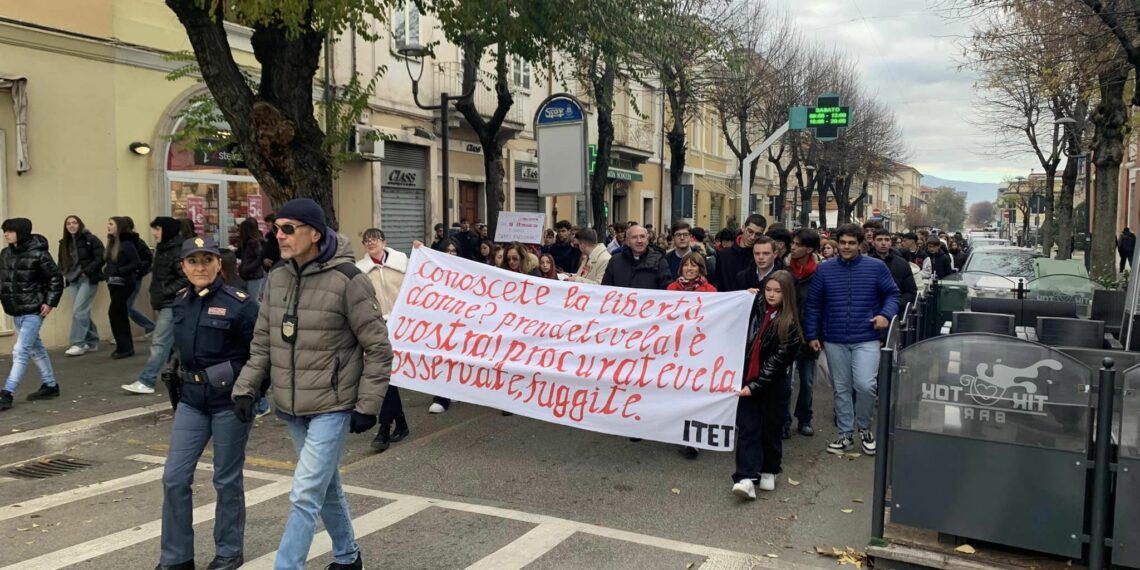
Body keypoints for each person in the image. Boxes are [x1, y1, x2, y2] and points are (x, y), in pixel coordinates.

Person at [230, 198, 391, 570]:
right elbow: (263, 342)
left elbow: (378, 348)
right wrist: (246, 388)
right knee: (324, 484)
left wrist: (368, 405)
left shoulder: (350, 280)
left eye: (289, 229)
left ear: (315, 233)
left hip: (333, 406)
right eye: (276, 229)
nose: (280, 236)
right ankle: (348, 557)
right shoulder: (278, 277)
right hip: (291, 406)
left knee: (304, 493)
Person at [156, 236, 258, 570]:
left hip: (228, 402)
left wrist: (250, 390)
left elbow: (260, 355)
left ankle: (228, 551)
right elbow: (181, 346)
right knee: (174, 477)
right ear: (183, 266)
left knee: (226, 479)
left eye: (207, 260)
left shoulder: (240, 303)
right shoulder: (181, 301)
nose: (200, 267)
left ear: (219, 264)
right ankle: (176, 557)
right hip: (191, 401)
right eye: (192, 261)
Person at [804, 224, 899, 456]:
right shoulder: (824, 270)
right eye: (843, 242)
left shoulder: (876, 267)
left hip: (866, 336)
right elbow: (814, 304)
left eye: (851, 243)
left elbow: (892, 294)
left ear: (860, 245)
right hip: (834, 338)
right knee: (841, 388)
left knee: (866, 384)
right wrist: (812, 335)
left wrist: (885, 315)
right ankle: (845, 433)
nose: (846, 247)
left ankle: (865, 428)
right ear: (838, 243)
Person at [732, 270, 802, 499]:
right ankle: (745, 476)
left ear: (787, 294)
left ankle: (770, 468)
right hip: (747, 379)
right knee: (747, 428)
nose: (771, 295)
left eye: (777, 291)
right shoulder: (755, 309)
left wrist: (756, 385)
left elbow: (778, 362)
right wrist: (745, 296)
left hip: (772, 386)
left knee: (770, 429)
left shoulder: (790, 324)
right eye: (768, 290)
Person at [355, 228, 411, 453]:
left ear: (384, 241)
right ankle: (385, 427)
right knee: (384, 374)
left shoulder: (402, 263)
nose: (371, 243)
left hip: (404, 325)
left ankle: (401, 423)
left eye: (374, 239)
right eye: (366, 240)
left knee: (394, 375)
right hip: (378, 326)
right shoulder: (361, 270)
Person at [0, 218, 64, 411]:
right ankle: (50, 385)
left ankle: (7, 393)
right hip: (15, 309)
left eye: (9, 231)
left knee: (20, 351)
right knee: (36, 349)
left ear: (21, 232)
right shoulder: (5, 254)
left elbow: (55, 278)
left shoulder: (39, 254)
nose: (5, 234)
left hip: (33, 310)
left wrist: (50, 302)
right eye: (4, 231)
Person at [122, 217, 187, 395]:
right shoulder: (163, 249)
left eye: (157, 229)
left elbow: (185, 278)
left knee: (159, 342)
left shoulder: (176, 251)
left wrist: (167, 290)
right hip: (164, 301)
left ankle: (147, 380)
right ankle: (186, 376)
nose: (154, 233)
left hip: (172, 303)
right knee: (177, 345)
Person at [784, 229, 821, 438]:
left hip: (809, 334)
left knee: (806, 381)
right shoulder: (785, 269)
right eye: (793, 243)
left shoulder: (818, 273)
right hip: (787, 333)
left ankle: (805, 418)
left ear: (809, 248)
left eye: (798, 244)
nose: (793, 247)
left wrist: (817, 334)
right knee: (786, 381)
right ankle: (785, 421)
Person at [58, 215, 105, 356]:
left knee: (79, 311)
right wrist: (63, 274)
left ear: (80, 224)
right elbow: (61, 261)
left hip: (87, 279)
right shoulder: (64, 243)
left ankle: (78, 343)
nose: (71, 226)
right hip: (73, 279)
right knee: (82, 312)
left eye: (74, 223)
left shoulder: (90, 239)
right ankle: (92, 341)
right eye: (68, 224)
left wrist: (87, 271)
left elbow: (101, 257)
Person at [105, 216, 143, 359]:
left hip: (125, 283)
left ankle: (124, 347)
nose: (108, 226)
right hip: (114, 283)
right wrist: (107, 273)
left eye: (111, 224)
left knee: (114, 313)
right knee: (119, 314)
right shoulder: (112, 242)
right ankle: (124, 346)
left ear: (118, 226)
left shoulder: (126, 244)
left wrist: (120, 271)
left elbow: (137, 263)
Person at [601, 225, 671, 290]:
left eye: (642, 237)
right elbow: (605, 289)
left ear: (647, 240)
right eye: (634, 237)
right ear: (627, 242)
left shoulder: (660, 261)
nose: (639, 241)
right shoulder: (615, 261)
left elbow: (666, 291)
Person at [120, 217, 156, 339]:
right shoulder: (117, 242)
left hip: (133, 277)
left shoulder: (136, 242)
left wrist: (138, 271)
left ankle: (150, 326)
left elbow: (147, 258)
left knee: (126, 306)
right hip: (121, 279)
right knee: (123, 306)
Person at [715, 214, 766, 292]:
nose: (752, 237)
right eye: (750, 231)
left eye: (757, 234)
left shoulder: (761, 257)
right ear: (743, 228)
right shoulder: (723, 255)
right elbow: (717, 283)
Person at [870, 229, 918, 310]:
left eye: (887, 240)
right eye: (879, 240)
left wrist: (895, 305)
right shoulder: (867, 262)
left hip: (895, 311)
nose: (883, 243)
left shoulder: (902, 264)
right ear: (873, 242)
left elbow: (911, 292)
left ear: (890, 242)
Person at [237, 218, 266, 301]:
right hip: (250, 275)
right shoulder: (249, 242)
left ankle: (263, 313)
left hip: (253, 275)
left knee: (253, 300)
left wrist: (246, 269)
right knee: (250, 299)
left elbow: (258, 259)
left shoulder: (252, 242)